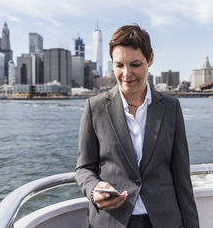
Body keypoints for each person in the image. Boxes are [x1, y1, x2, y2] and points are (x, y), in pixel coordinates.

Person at [75, 24, 199, 228]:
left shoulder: (171, 108)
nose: (126, 73)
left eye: (135, 64)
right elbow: (84, 168)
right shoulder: (94, 108)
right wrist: (94, 189)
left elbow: (181, 176)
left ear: (150, 59)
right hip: (111, 221)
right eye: (119, 65)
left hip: (164, 221)